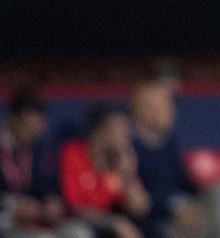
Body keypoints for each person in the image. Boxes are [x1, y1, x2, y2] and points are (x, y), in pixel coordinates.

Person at [130, 80, 220, 238]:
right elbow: (136, 197)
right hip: (159, 222)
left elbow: (183, 182)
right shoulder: (126, 146)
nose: (172, 111)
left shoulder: (167, 142)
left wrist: (193, 198)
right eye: (165, 105)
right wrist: (175, 205)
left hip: (187, 211)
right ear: (144, 109)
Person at [1, 89, 88, 238]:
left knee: (78, 232)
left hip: (37, 218)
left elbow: (49, 186)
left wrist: (52, 201)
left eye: (41, 121)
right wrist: (16, 207)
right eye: (34, 121)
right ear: (14, 119)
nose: (39, 127)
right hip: (7, 217)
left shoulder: (39, 151)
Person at [59, 106, 150, 238]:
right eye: (120, 131)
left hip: (109, 227)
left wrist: (129, 176)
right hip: (77, 224)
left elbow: (140, 209)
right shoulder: (73, 153)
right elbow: (75, 208)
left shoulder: (118, 161)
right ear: (100, 132)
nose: (127, 137)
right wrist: (114, 222)